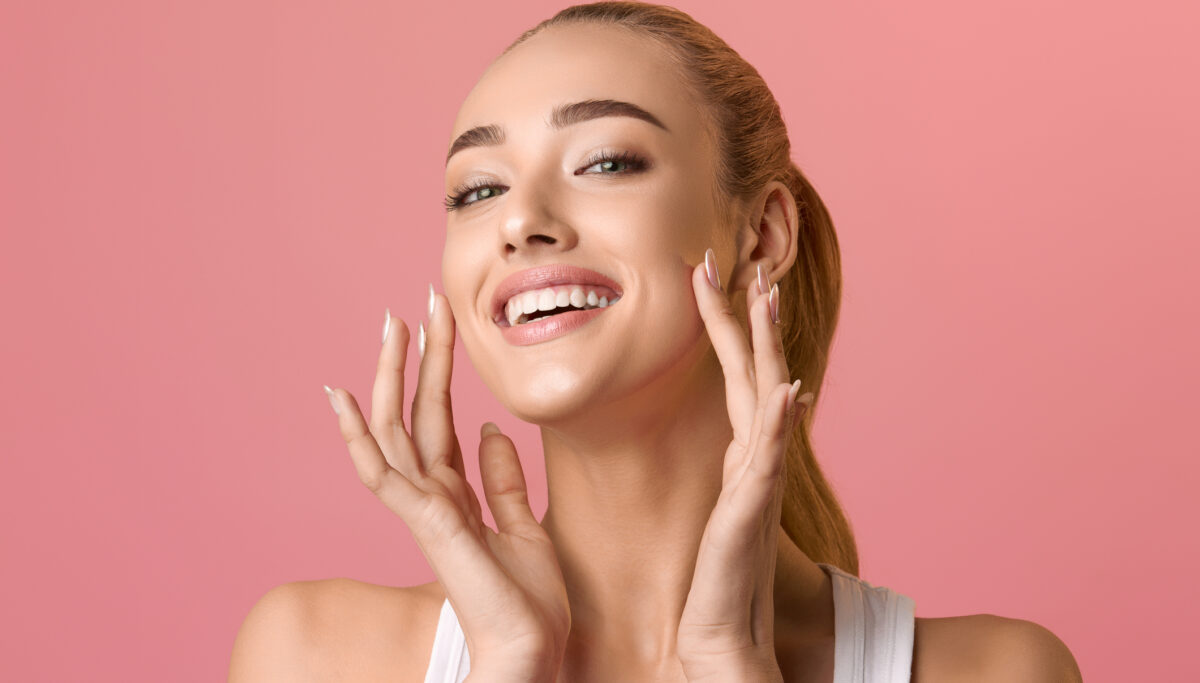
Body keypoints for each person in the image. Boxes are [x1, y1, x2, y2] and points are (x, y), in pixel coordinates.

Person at [229, 3, 1083, 681]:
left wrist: (732, 667)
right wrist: (506, 670)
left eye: (604, 162)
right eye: (477, 188)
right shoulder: (313, 657)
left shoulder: (995, 672)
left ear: (759, 237)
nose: (520, 220)